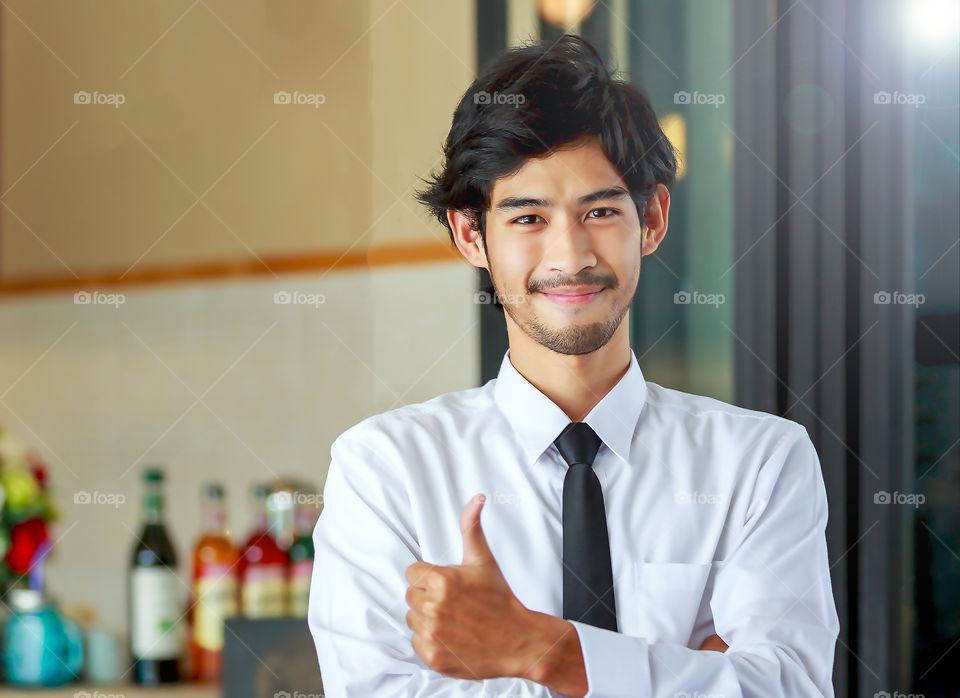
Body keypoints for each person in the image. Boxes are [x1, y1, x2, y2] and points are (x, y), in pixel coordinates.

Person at [308, 34, 839, 697]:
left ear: (652, 219)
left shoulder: (761, 462)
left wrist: (532, 649)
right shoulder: (385, 468)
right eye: (528, 217)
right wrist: (688, 668)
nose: (570, 255)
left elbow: (785, 689)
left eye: (599, 211)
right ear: (471, 235)